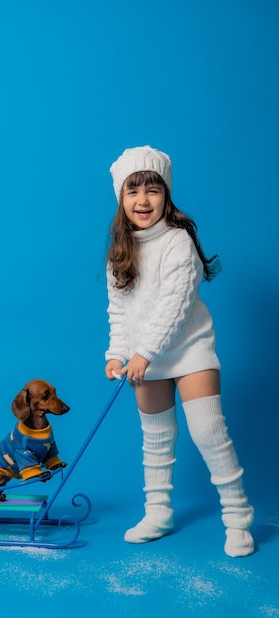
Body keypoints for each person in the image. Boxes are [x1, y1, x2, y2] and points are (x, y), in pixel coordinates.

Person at [104, 145, 254, 557]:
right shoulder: (120, 252)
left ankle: (239, 517)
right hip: (142, 358)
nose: (143, 200)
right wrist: (117, 354)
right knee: (156, 439)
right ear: (121, 199)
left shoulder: (177, 243)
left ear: (166, 195)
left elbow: (175, 306)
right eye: (133, 192)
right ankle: (158, 512)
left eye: (152, 190)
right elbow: (120, 311)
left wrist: (144, 352)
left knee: (208, 431)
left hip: (187, 350)